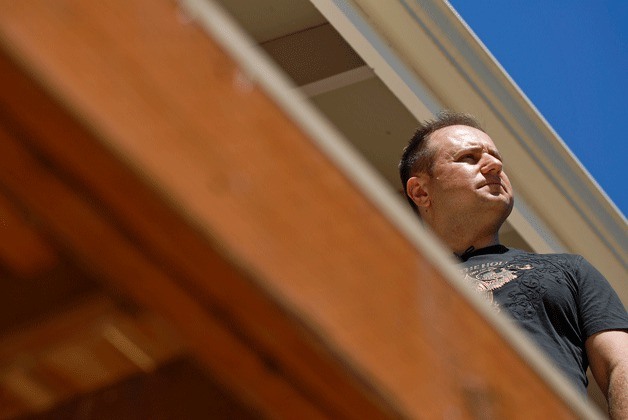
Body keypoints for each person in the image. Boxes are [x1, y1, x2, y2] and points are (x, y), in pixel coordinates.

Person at [399, 111, 628, 418]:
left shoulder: (570, 270)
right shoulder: (391, 281)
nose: (494, 165)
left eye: (496, 158)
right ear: (421, 192)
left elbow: (620, 363)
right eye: (469, 157)